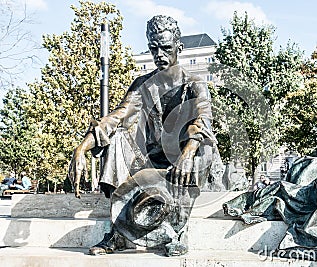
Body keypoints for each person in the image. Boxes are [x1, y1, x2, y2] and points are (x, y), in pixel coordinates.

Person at [68, 15, 218, 257]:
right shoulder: (143, 84)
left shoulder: (194, 84)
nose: (159, 55)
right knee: (117, 139)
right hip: (153, 159)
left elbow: (203, 121)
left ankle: (179, 231)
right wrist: (82, 148)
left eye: (166, 48)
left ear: (178, 48)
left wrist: (188, 153)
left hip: (186, 157)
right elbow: (118, 116)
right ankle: (117, 233)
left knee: (203, 148)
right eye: (154, 48)